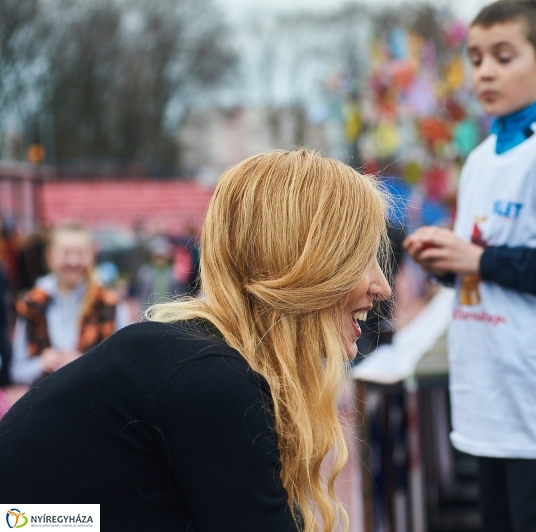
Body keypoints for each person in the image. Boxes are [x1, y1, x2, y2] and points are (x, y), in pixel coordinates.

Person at [0, 150, 392, 531]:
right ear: (303, 270)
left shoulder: (199, 359)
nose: (383, 287)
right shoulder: (213, 380)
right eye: (361, 259)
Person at [404, 1, 536, 530]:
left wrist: (474, 258)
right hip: (488, 398)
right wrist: (446, 260)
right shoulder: (480, 156)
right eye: (475, 58)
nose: (485, 71)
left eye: (503, 55)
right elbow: (484, 255)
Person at [11, 224, 128, 385]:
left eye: (80, 253)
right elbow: (17, 371)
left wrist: (83, 364)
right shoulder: (31, 305)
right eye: (66, 253)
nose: (73, 261)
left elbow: (125, 367)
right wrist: (40, 364)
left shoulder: (110, 304)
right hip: (45, 408)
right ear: (50, 256)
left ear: (91, 256)